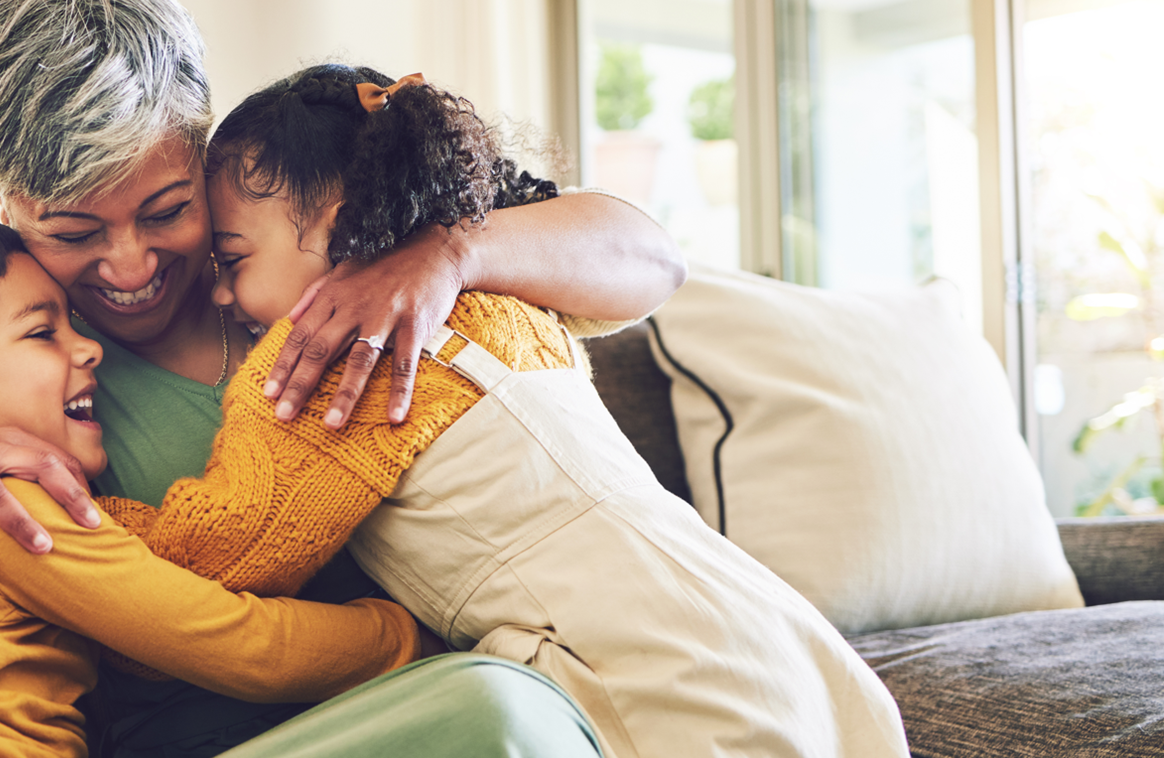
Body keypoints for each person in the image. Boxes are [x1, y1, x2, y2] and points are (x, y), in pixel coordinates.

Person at [0, 0, 684, 754]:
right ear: (8, 209)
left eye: (167, 211)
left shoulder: (332, 246)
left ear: (205, 155)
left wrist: (452, 253)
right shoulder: (3, 370)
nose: (130, 267)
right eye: (72, 230)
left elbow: (651, 260)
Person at [194, 63, 910, 758]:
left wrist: (83, 525)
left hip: (648, 669)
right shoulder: (508, 305)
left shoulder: (326, 368)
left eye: (231, 260)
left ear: (337, 222)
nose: (221, 295)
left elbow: (220, 550)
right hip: (767, 628)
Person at [0, 216, 430, 758]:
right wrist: (408, 637)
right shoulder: (2, 503)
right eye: (42, 332)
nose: (89, 350)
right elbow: (237, 641)